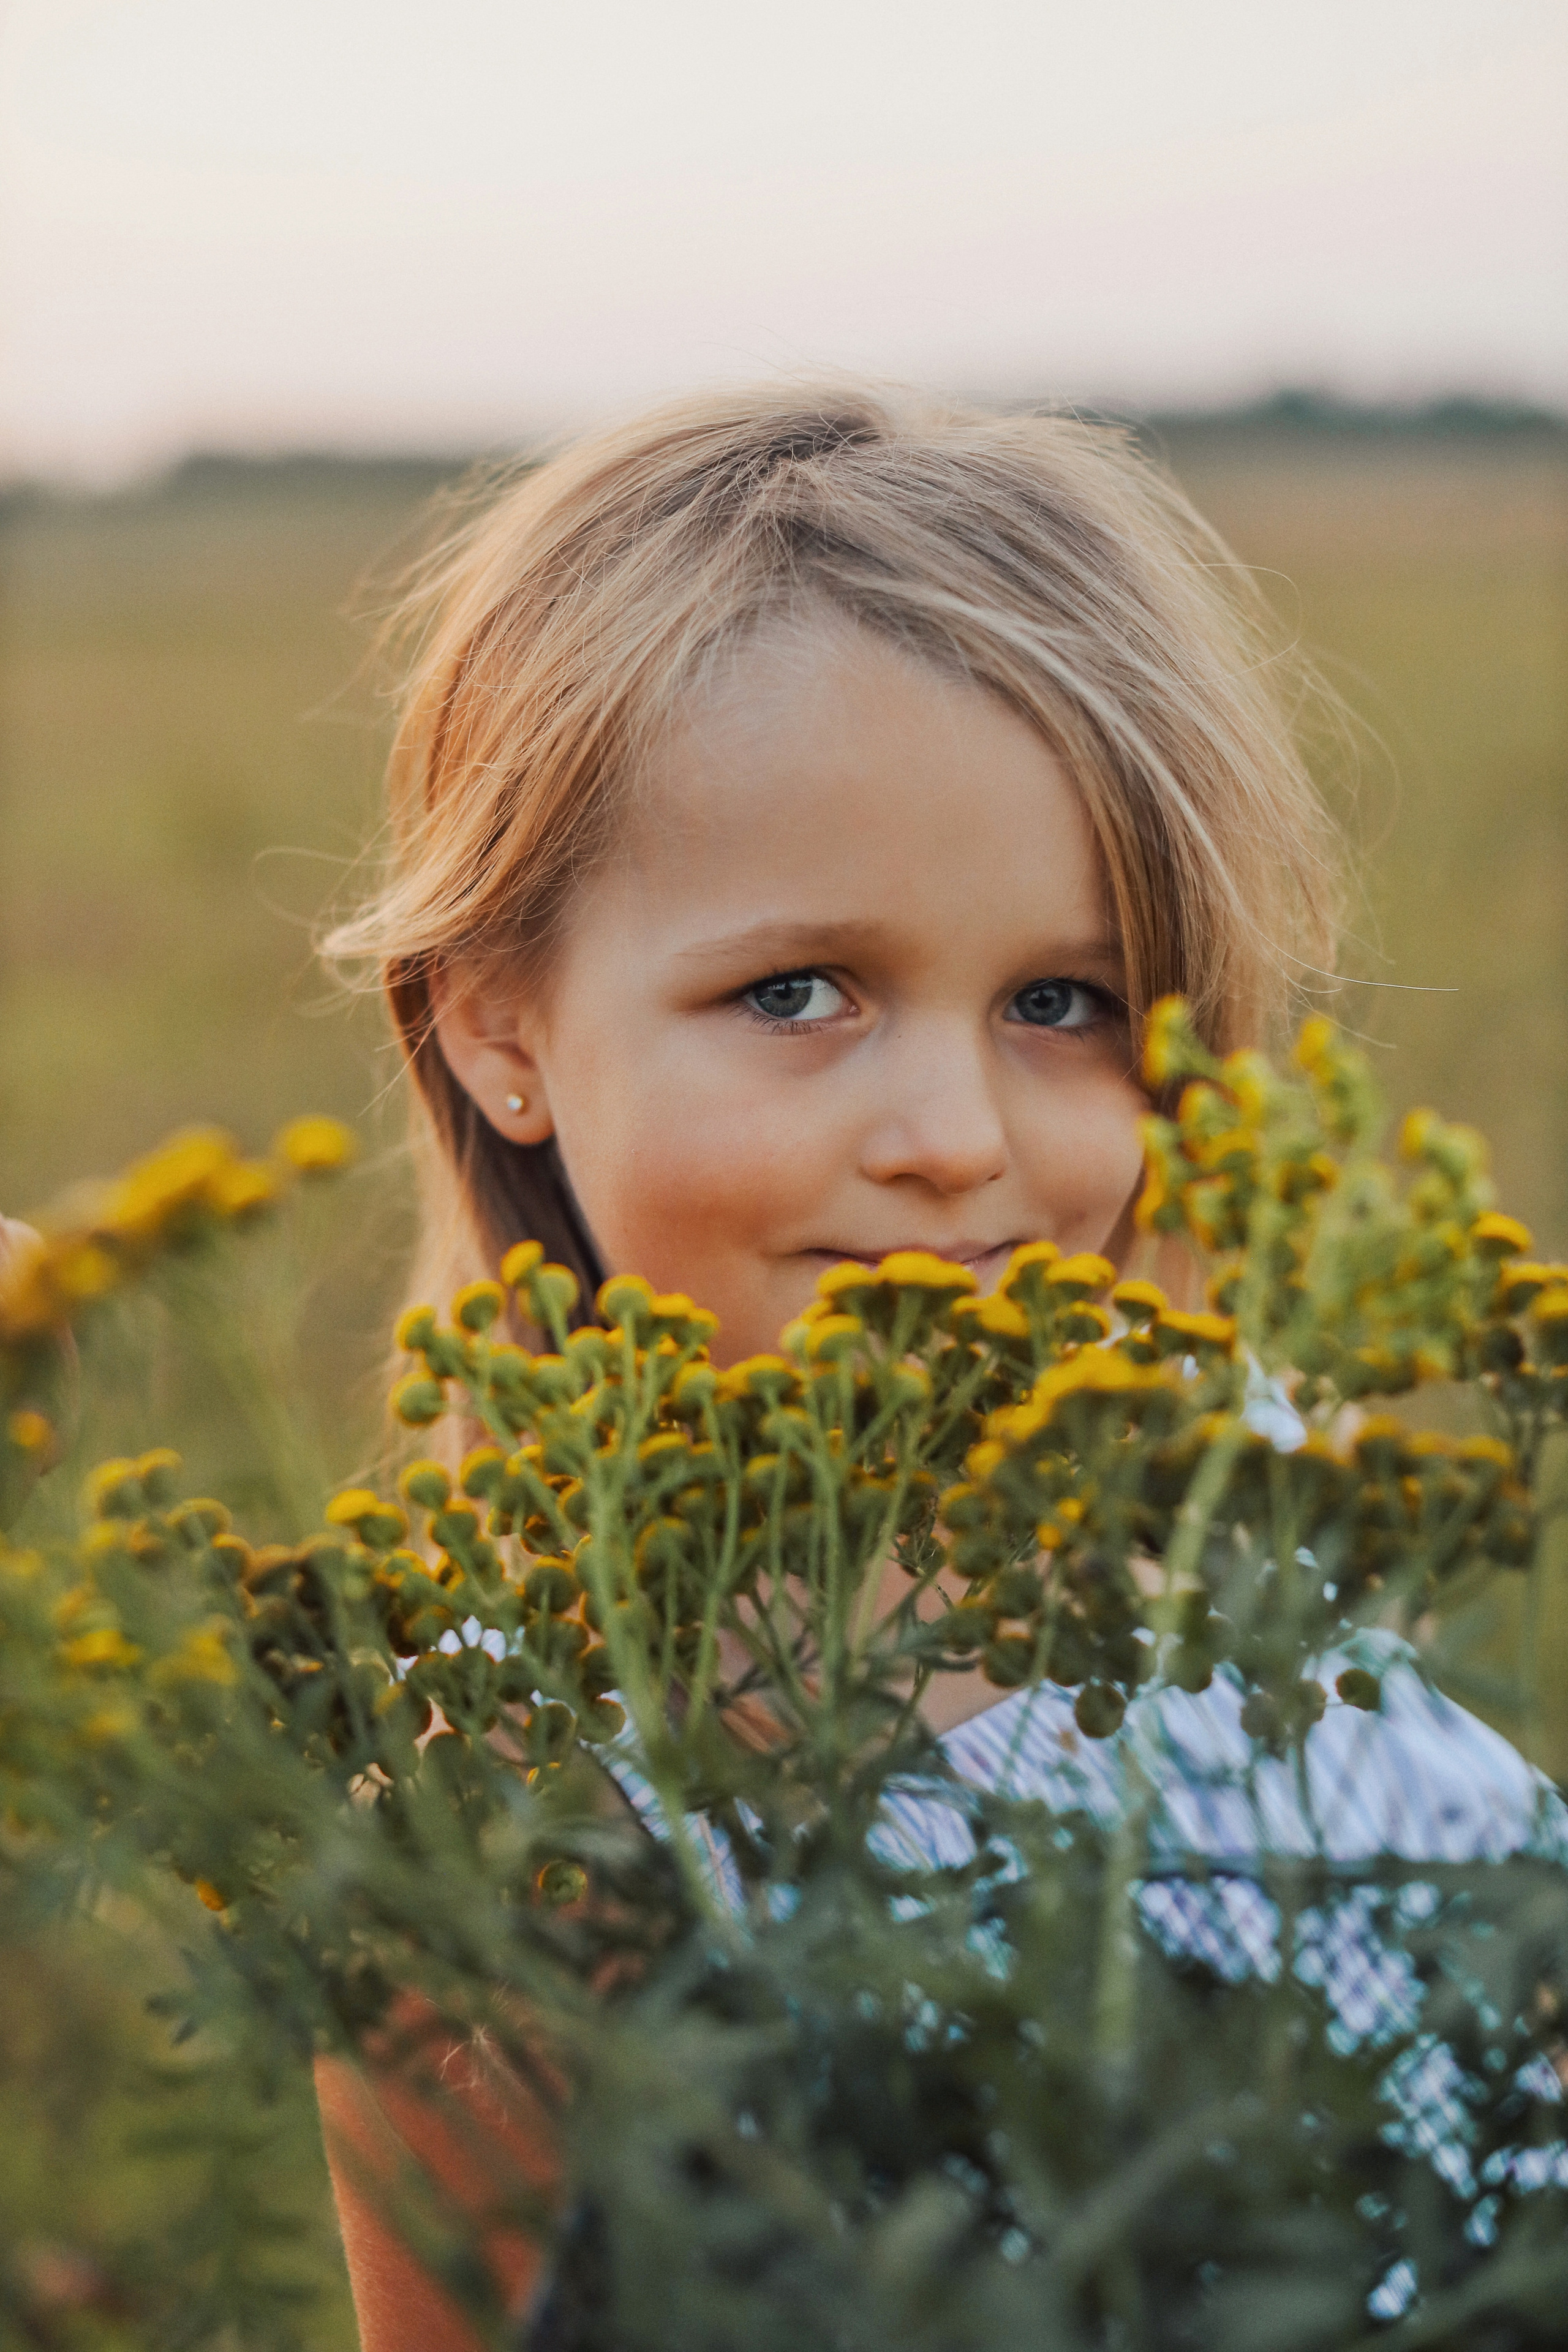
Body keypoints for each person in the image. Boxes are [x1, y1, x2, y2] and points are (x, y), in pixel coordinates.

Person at [311, 383, 1565, 2348]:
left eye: (1062, 1000)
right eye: (798, 992)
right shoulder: (523, 1824)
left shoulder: (1225, 1483)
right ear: (499, 1027)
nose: (959, 1139)